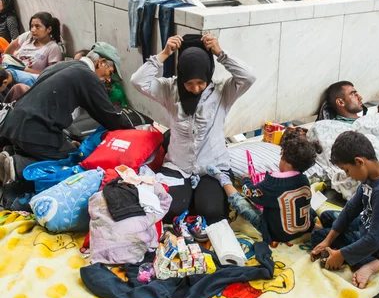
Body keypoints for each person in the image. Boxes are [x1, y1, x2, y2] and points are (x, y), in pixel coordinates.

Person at [131, 34, 256, 225]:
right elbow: (138, 81)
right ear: (181, 78)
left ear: (207, 75)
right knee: (170, 210)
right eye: (189, 84)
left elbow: (249, 77)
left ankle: (197, 199)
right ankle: (189, 199)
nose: (195, 88)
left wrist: (221, 54)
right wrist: (164, 54)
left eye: (200, 82)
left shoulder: (223, 92)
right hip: (177, 167)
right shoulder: (169, 90)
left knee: (211, 212)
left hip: (212, 167)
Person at [0, 43, 134, 165]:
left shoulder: (61, 66)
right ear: (101, 62)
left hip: (13, 124)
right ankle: (17, 165)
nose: (109, 79)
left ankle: (11, 152)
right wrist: (134, 131)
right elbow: (109, 117)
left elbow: (49, 106)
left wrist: (65, 140)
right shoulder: (89, 77)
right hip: (33, 130)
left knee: (67, 146)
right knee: (73, 159)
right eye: (110, 73)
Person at [311, 131, 379, 289]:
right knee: (327, 217)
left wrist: (340, 255)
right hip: (366, 224)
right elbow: (351, 209)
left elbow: (374, 239)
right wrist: (328, 240)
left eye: (346, 170)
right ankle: (342, 245)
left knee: (318, 237)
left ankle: (375, 262)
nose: (349, 176)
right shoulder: (370, 177)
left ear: (359, 162)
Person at [222, 134, 318, 242]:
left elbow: (250, 193)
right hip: (304, 228)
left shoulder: (273, 183)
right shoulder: (304, 180)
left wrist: (245, 180)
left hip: (278, 235)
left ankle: (223, 180)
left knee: (242, 204)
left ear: (283, 157)